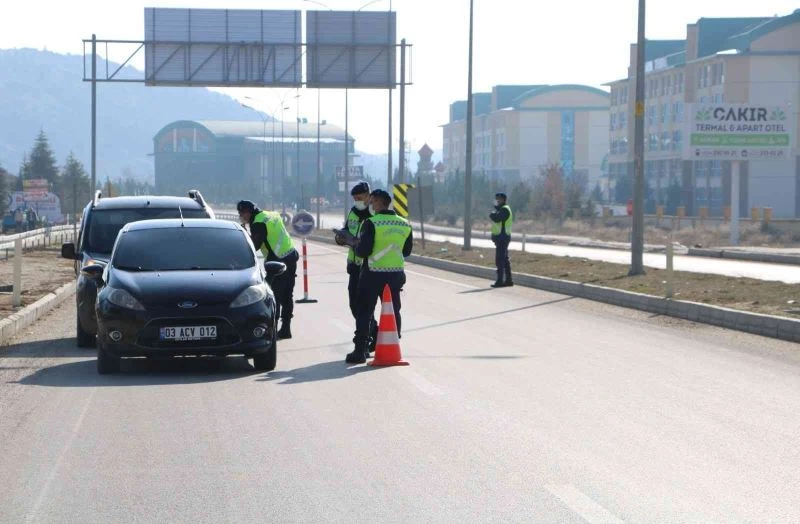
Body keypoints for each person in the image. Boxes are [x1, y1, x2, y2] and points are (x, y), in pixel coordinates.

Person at [346, 189, 413, 364]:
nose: (370, 205)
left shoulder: (372, 223)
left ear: (377, 202)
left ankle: (360, 351)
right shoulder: (404, 224)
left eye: (372, 201)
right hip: (395, 274)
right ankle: (393, 345)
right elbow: (406, 251)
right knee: (393, 310)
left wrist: (355, 245)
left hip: (372, 274)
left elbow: (363, 251)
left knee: (365, 312)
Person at [237, 200, 299, 340]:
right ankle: (286, 329)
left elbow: (255, 246)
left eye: (242, 214)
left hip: (277, 260)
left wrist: (245, 234)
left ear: (248, 212)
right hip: (290, 254)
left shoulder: (258, 223)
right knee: (287, 295)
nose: (241, 217)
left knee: (274, 296)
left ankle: (272, 330)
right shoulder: (271, 214)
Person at [335, 181, 379, 352]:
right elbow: (347, 229)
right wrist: (341, 237)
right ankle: (375, 332)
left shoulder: (375, 214)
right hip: (354, 265)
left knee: (364, 307)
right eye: (354, 198)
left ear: (368, 196)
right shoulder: (353, 212)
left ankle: (366, 342)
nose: (357, 201)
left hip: (369, 266)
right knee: (354, 305)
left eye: (360, 198)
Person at [489, 192, 513, 288]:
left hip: (502, 238)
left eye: (498, 199)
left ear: (503, 200)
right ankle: (508, 280)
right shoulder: (502, 209)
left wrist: (492, 214)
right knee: (505, 259)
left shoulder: (505, 210)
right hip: (502, 237)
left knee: (500, 260)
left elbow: (497, 218)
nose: (496, 201)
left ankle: (500, 281)